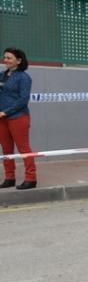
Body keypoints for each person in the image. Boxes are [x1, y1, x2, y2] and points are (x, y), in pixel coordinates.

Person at [0, 47, 36, 189]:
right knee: (6, 149)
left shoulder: (24, 77)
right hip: (1, 119)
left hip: (18, 117)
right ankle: (9, 177)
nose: (6, 60)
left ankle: (31, 178)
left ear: (19, 60)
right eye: (5, 57)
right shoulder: (2, 75)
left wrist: (6, 112)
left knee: (24, 148)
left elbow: (23, 100)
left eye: (9, 58)